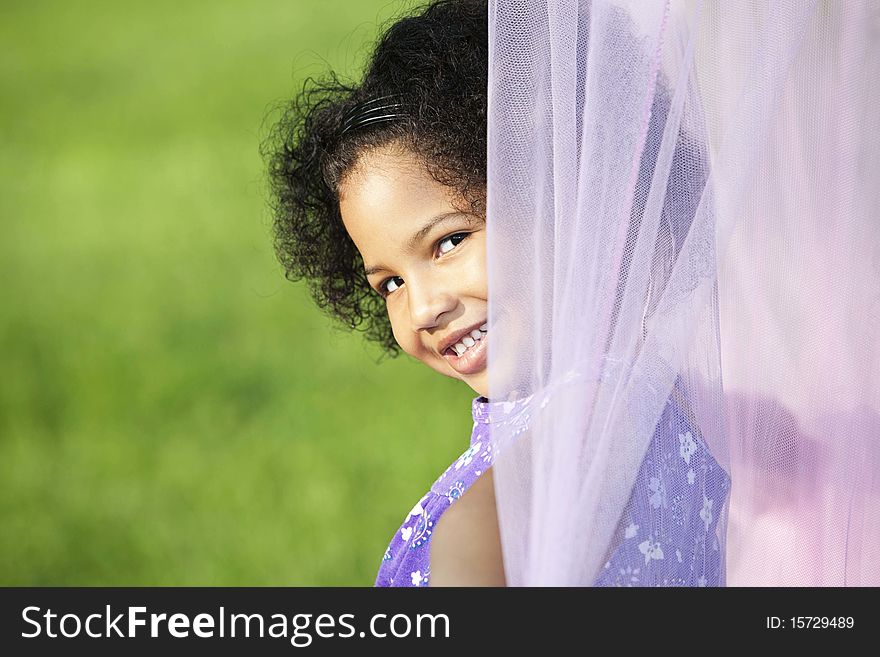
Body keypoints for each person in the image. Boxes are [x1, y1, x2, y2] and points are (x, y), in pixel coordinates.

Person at [264, 0, 730, 587]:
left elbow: (492, 519)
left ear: (567, 197)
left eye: (449, 241)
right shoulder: (667, 390)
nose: (424, 307)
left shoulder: (595, 403)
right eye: (390, 283)